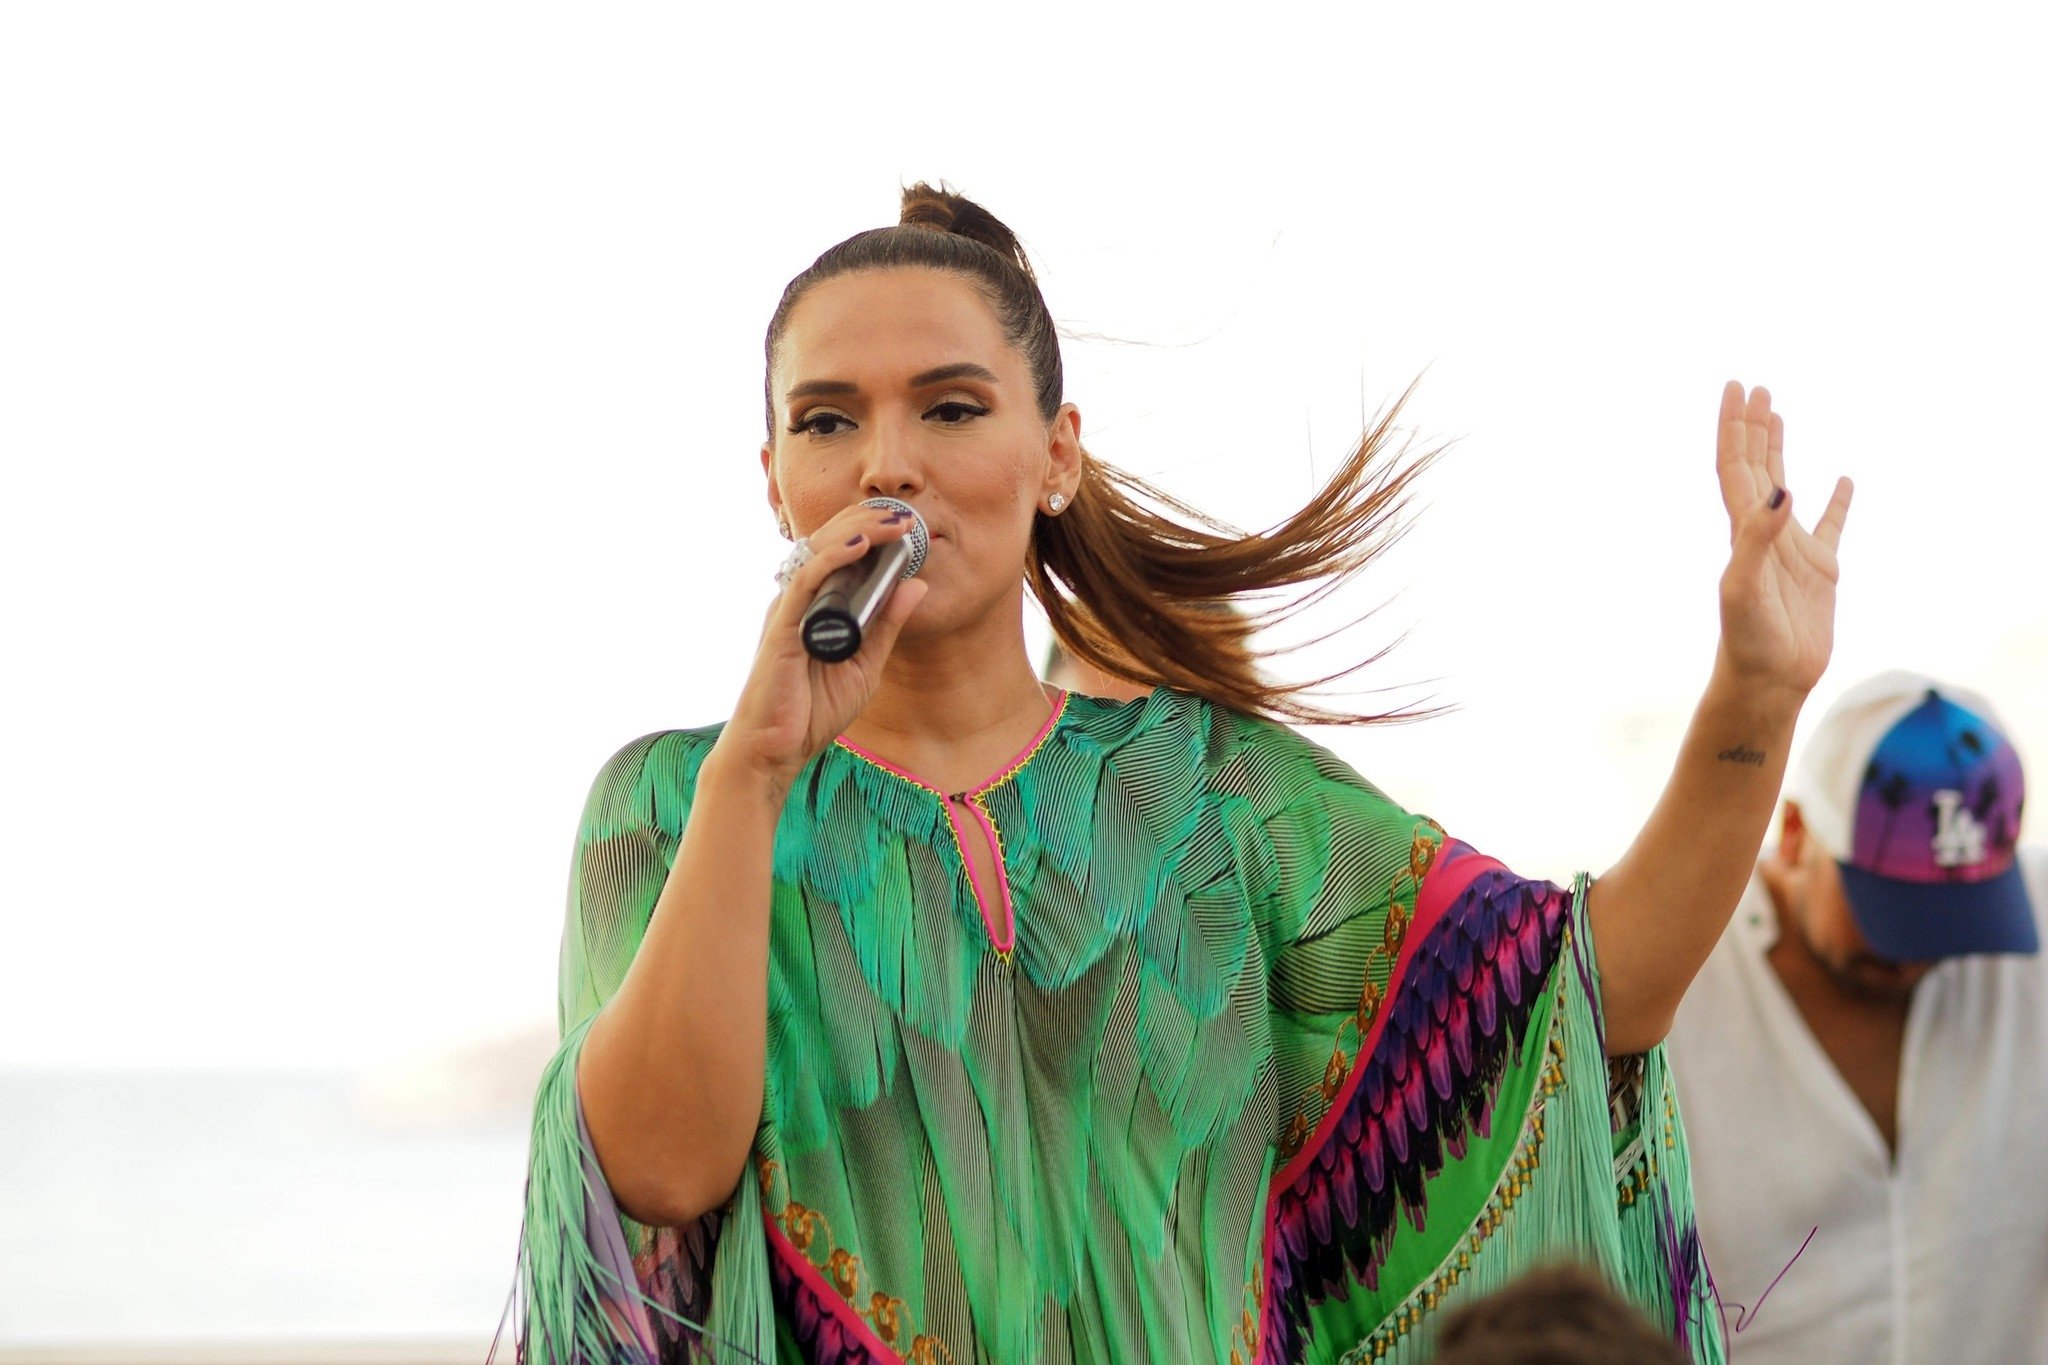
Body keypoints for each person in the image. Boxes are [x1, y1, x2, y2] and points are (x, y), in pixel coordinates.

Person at [507, 183, 1853, 1364]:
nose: (887, 464)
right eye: (825, 421)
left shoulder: (1216, 796)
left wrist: (1757, 691)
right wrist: (757, 768)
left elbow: (1580, 992)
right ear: (772, 480)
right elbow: (655, 1179)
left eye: (951, 407)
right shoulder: (673, 807)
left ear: (1057, 455)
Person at [1668, 672, 2048, 1361]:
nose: (1917, 953)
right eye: (1891, 909)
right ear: (1794, 833)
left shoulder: (2035, 933)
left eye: (1957, 915)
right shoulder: (1679, 978)